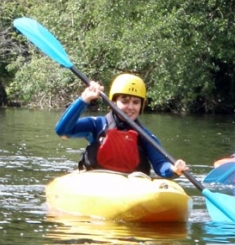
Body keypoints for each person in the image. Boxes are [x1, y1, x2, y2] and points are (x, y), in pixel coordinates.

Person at [54, 73, 188, 178]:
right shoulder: (97, 125)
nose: (130, 107)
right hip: (97, 185)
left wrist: (173, 169)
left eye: (136, 102)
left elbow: (161, 165)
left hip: (130, 189)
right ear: (113, 102)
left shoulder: (145, 136)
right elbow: (62, 130)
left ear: (141, 106)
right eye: (124, 101)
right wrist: (84, 99)